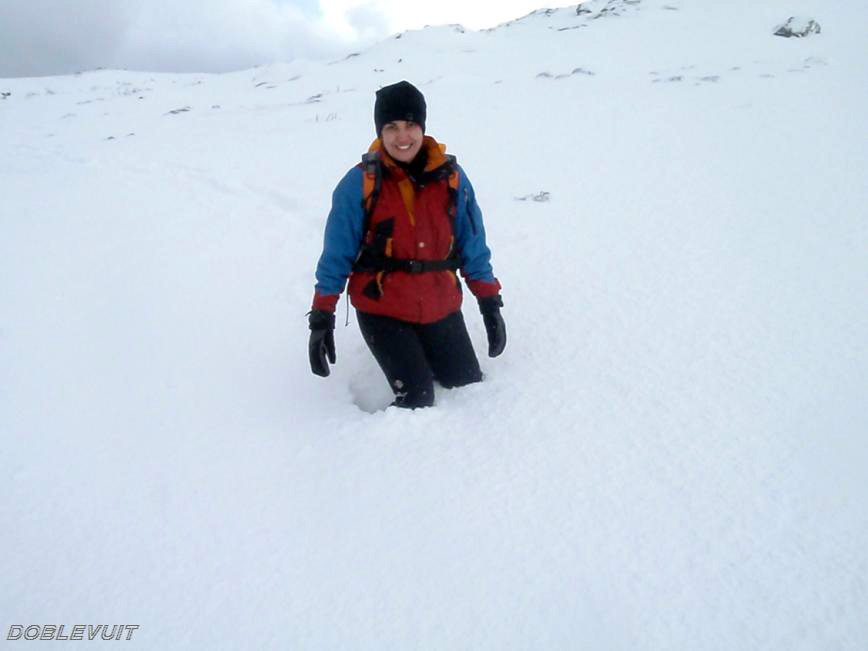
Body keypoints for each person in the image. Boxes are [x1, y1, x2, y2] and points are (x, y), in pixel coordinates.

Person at [308, 80, 505, 409]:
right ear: (380, 132)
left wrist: (489, 304)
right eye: (392, 127)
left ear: (423, 128)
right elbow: (336, 256)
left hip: (440, 304)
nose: (403, 137)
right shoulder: (359, 183)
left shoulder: (452, 178)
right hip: (383, 310)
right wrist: (321, 317)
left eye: (411, 125)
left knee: (467, 385)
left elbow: (473, 245)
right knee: (418, 397)